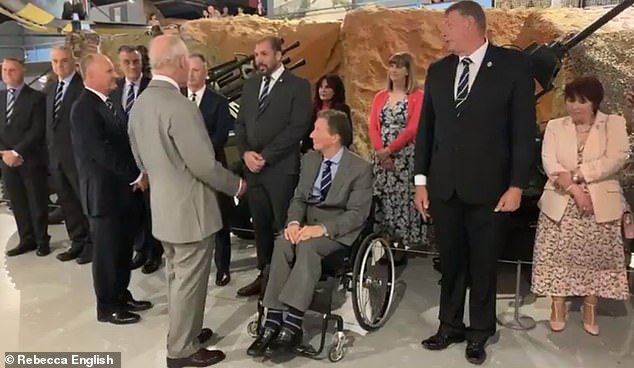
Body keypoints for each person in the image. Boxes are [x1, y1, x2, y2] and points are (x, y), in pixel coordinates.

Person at [413, 1, 536, 365]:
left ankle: (479, 331)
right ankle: (449, 324)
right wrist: (421, 182)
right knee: (450, 261)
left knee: (483, 263)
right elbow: (426, 132)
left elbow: (522, 133)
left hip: (491, 190)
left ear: (470, 24)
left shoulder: (513, 66)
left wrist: (517, 185)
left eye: (447, 24)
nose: (443, 31)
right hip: (444, 187)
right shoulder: (437, 71)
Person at [128, 35, 244, 368]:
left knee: (177, 280)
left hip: (163, 210)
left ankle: (185, 334)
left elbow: (140, 158)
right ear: (179, 63)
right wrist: (236, 185)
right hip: (191, 213)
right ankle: (181, 351)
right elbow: (204, 164)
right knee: (188, 283)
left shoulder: (141, 103)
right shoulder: (180, 106)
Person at [247, 110, 372, 357]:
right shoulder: (310, 159)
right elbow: (299, 199)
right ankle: (272, 320)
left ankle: (292, 323)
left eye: (317, 130)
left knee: (308, 247)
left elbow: (357, 214)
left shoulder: (360, 168)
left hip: (337, 231)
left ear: (334, 137)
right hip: (305, 226)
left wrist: (322, 229)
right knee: (283, 241)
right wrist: (293, 223)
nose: (311, 134)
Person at [531, 76, 630, 336]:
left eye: (582, 101)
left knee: (596, 259)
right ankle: (557, 306)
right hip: (561, 202)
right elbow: (550, 162)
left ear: (595, 102)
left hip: (600, 205)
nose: (575, 107)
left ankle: (590, 306)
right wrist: (575, 190)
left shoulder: (613, 123)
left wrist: (578, 175)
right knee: (557, 257)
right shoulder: (555, 126)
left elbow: (617, 158)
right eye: (571, 100)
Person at [70, 53, 153, 325]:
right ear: (90, 76)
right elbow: (101, 152)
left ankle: (121, 294)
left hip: (121, 196)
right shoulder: (84, 108)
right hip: (104, 197)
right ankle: (107, 307)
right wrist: (135, 176)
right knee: (107, 255)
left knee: (121, 250)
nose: (114, 74)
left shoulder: (107, 103)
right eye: (108, 70)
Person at [234, 35, 312, 297]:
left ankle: (285, 279)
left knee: (283, 225)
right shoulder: (251, 85)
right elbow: (241, 124)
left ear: (279, 55)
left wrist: (265, 155)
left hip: (280, 169)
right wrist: (245, 153)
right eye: (256, 55)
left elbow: (298, 127)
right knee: (261, 226)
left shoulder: (298, 86)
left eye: (264, 54)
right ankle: (264, 274)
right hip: (253, 170)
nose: (259, 60)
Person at [109, 45, 162, 274]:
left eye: (136, 61)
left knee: (152, 208)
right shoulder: (114, 88)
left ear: (143, 63)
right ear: (120, 64)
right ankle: (140, 249)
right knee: (133, 209)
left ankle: (155, 253)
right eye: (127, 62)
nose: (132, 66)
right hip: (125, 162)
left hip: (151, 160)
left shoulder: (154, 87)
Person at [368, 52, 426, 255]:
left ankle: (402, 245)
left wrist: (391, 150)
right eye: (391, 66)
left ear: (408, 71)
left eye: (398, 66)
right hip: (382, 159)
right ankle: (385, 243)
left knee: (403, 201)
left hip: (404, 158)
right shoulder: (380, 97)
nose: (393, 70)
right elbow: (373, 127)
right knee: (383, 200)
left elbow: (412, 128)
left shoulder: (418, 97)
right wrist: (381, 153)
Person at [186, 53, 233, 287]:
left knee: (220, 219)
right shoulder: (178, 99)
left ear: (205, 73)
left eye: (197, 70)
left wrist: (196, 155)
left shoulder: (218, 101)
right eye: (189, 70)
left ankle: (223, 266)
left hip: (213, 167)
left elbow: (221, 136)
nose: (192, 74)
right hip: (184, 173)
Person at [44, 45, 93, 264]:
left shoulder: (82, 88)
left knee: (85, 204)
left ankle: (92, 246)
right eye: (55, 62)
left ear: (73, 61)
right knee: (68, 204)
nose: (59, 65)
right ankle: (77, 242)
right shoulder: (51, 89)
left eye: (63, 61)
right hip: (57, 159)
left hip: (77, 159)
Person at [1, 58, 50, 257]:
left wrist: (17, 152)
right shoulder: (0, 97)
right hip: (6, 160)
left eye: (12, 70)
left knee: (36, 200)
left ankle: (41, 240)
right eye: (5, 70)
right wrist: (5, 153)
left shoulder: (36, 98)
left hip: (30, 159)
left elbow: (37, 129)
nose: (8, 74)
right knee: (17, 201)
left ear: (22, 70)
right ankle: (26, 239)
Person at [301, 74, 351, 153]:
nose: (323, 90)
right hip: (311, 152)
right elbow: (306, 134)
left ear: (336, 90)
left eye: (327, 87)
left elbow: (346, 136)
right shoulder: (312, 109)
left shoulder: (342, 110)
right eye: (321, 87)